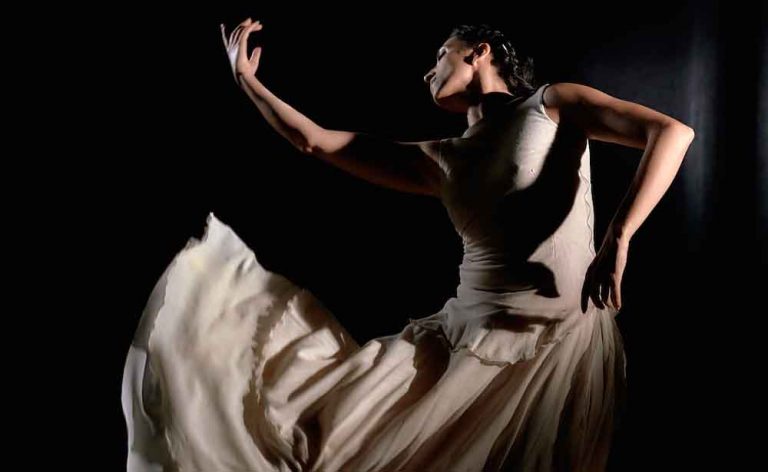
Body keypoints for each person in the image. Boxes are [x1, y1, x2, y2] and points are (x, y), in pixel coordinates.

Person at [122, 19, 695, 471]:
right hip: (469, 341)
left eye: (441, 54)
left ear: (479, 52)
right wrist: (248, 81)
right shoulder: (441, 158)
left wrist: (618, 236)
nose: (427, 72)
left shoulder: (550, 104)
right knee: (336, 435)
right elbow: (315, 142)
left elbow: (671, 133)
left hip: (559, 345)